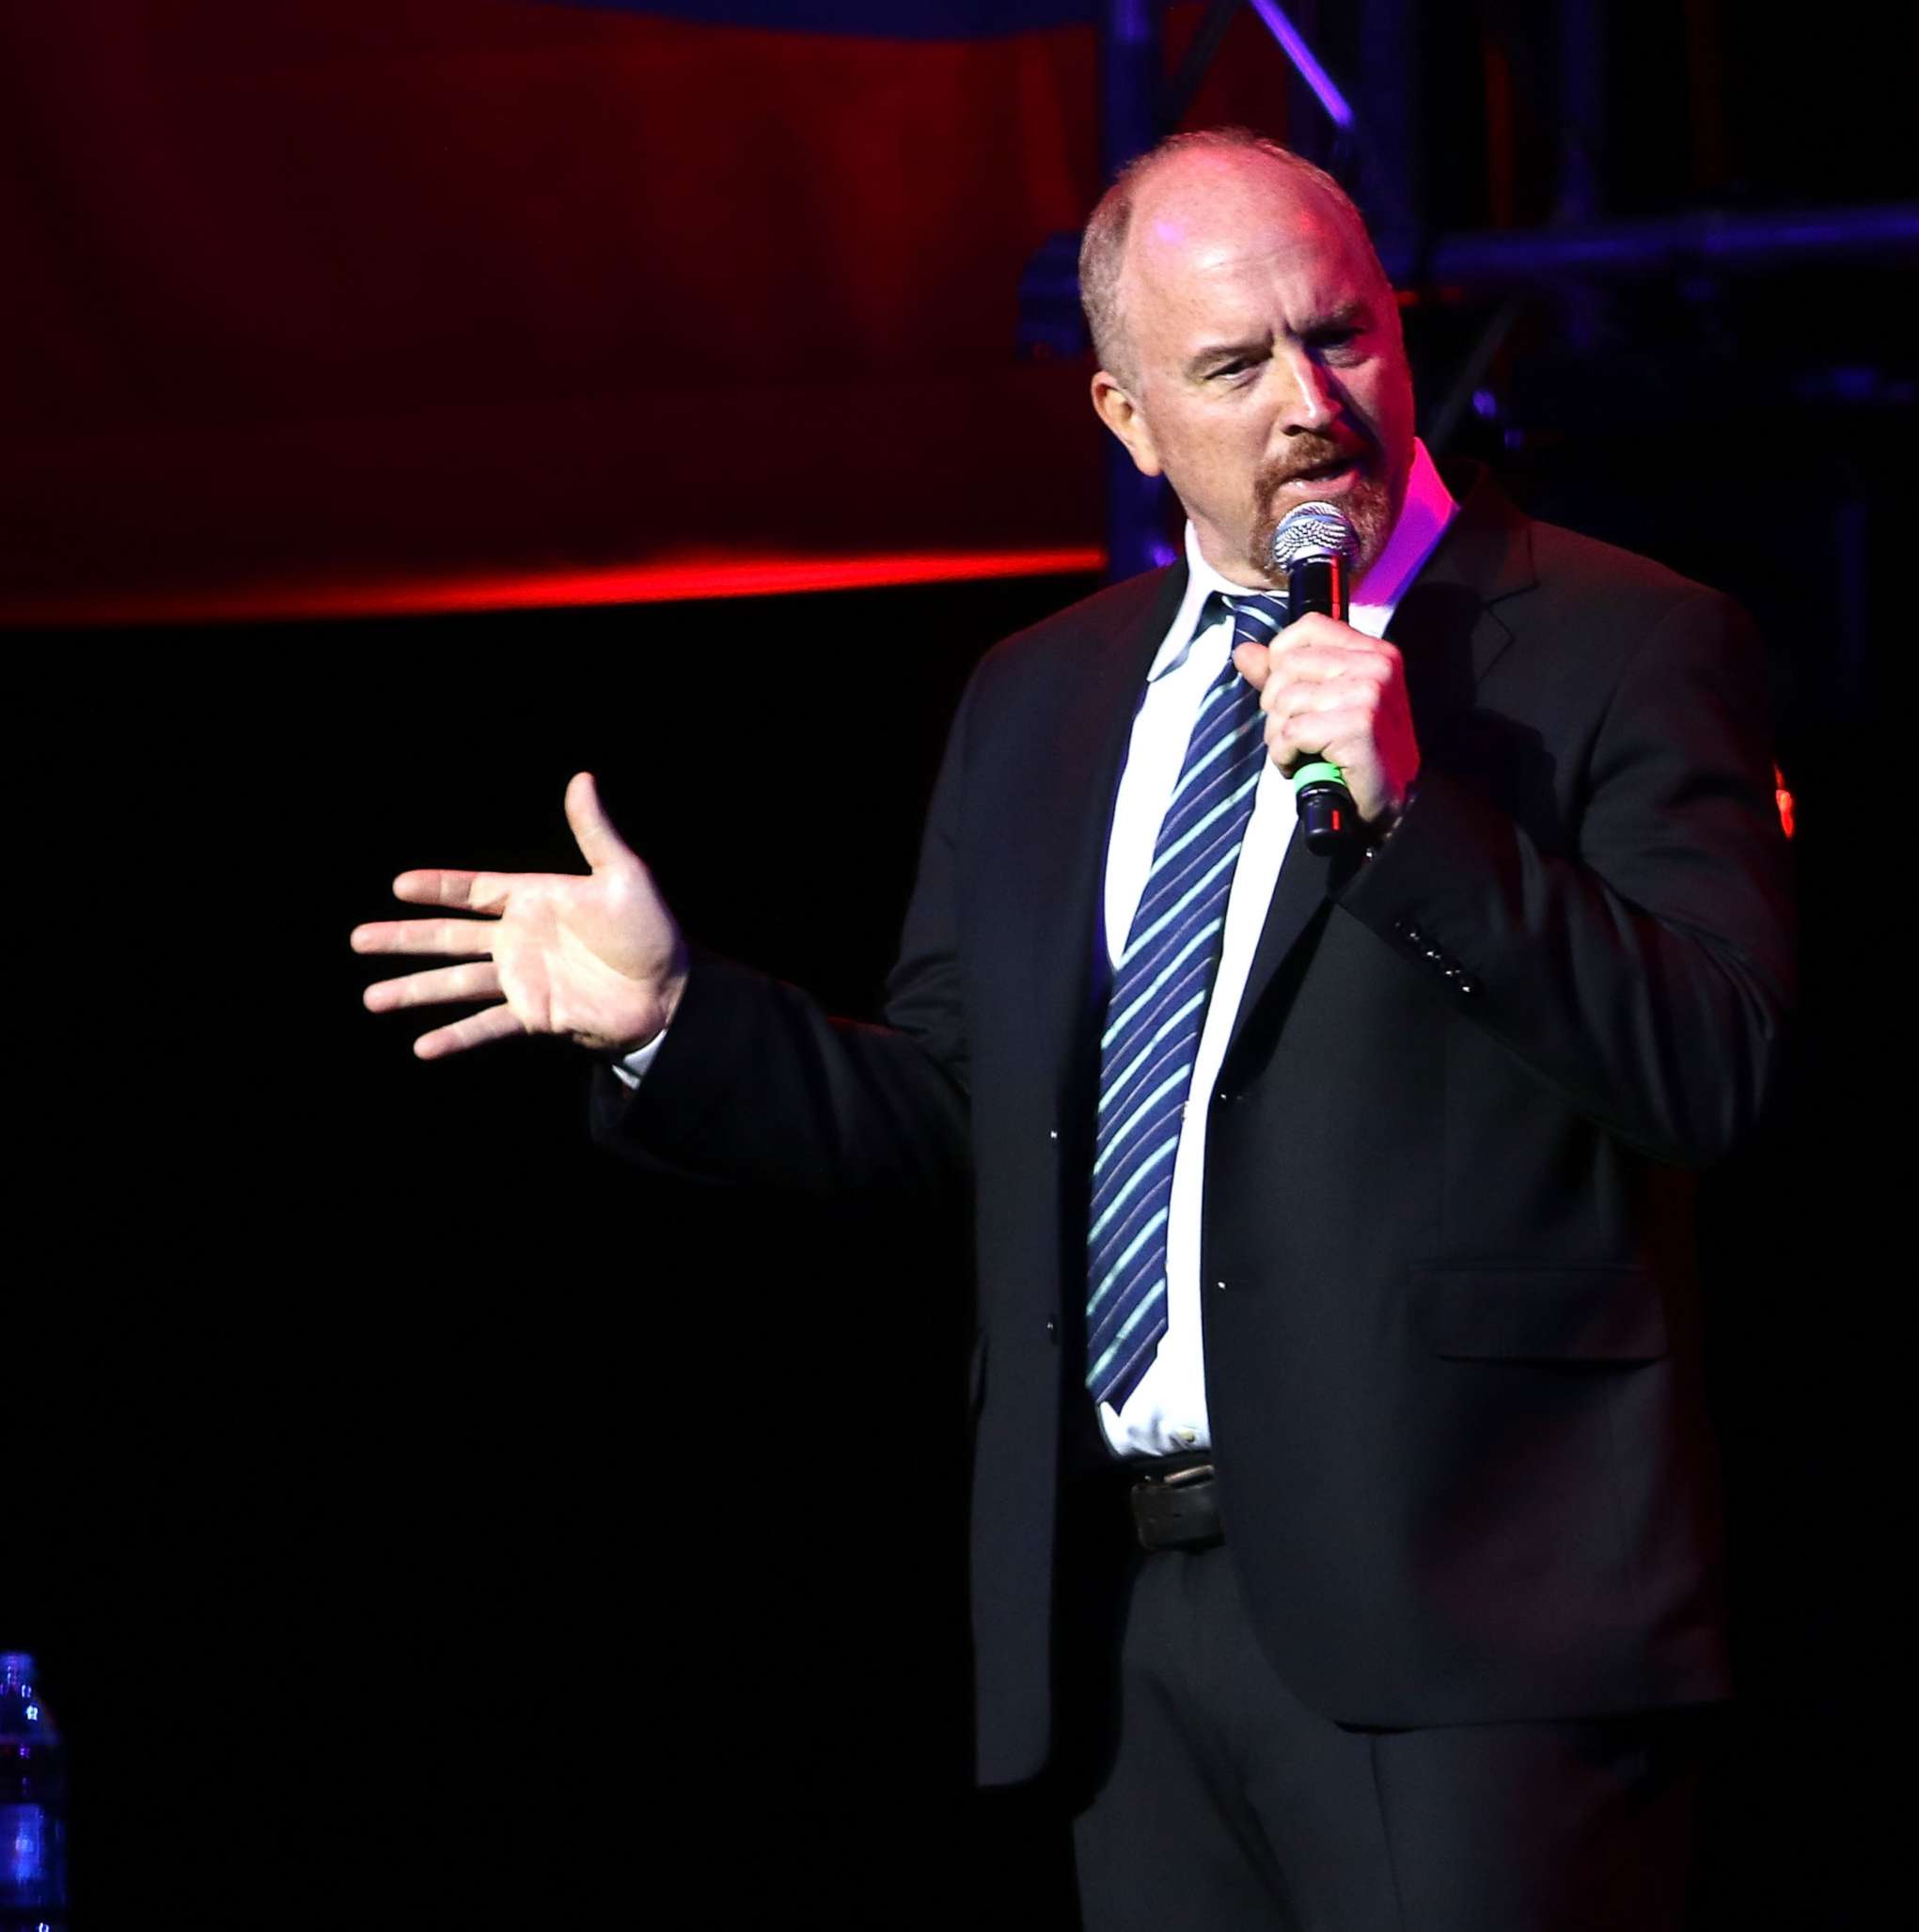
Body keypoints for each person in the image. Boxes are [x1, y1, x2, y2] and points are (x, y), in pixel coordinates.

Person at [353, 130, 1793, 1930]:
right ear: (1124, 414)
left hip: (1472, 1628)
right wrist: (673, 1021)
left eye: (1340, 334)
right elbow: (966, 1120)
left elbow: (1717, 1067)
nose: (1308, 403)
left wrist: (1418, 821)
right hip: (1129, 1621)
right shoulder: (1042, 699)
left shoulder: (1613, 642)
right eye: (1232, 366)